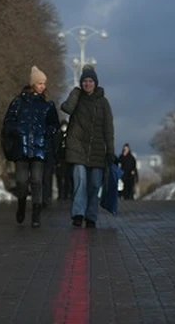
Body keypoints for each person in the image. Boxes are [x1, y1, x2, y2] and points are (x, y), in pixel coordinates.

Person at [1, 66, 59, 227]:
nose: (43, 86)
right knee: (21, 181)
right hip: (22, 147)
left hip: (39, 148)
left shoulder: (48, 104)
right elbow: (8, 122)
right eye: (40, 83)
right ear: (33, 84)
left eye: (44, 83)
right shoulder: (18, 102)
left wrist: (47, 132)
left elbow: (55, 124)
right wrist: (17, 130)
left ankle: (36, 214)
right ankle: (21, 203)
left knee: (36, 181)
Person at [61, 65, 115, 228]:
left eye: (90, 81)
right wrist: (75, 92)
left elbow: (108, 128)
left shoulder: (103, 103)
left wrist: (110, 151)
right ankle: (78, 214)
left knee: (94, 184)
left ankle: (91, 215)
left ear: (95, 83)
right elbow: (66, 108)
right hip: (77, 148)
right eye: (85, 81)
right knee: (80, 182)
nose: (87, 84)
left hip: (97, 150)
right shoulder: (77, 97)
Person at [54, 121, 72, 201]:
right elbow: (56, 147)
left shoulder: (70, 136)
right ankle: (61, 194)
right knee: (60, 178)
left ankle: (66, 193)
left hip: (68, 159)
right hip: (61, 160)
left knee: (68, 178)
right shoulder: (58, 136)